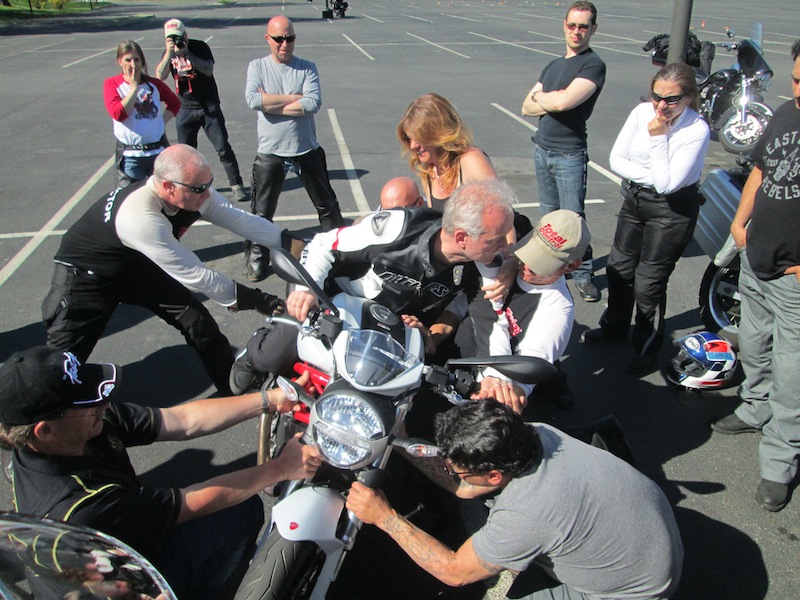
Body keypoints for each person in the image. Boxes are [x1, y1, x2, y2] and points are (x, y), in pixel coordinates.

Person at [0, 346, 322, 600]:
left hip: (116, 548)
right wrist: (280, 468)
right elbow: (192, 504)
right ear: (44, 431)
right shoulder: (76, 507)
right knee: (239, 508)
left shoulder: (80, 425)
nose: (104, 403)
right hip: (122, 584)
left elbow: (180, 420)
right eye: (89, 401)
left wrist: (270, 399)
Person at [346, 399, 683, 599]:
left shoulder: (527, 512)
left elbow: (454, 571)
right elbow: (465, 487)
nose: (451, 472)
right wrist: (406, 447)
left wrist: (386, 518)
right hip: (648, 538)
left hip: (635, 590)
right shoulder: (532, 432)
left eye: (457, 469)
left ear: (495, 476)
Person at [41, 144, 303, 396]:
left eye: (210, 183)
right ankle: (36, 422)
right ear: (168, 187)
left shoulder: (196, 194)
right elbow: (198, 276)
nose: (208, 194)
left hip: (137, 267)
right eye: (201, 188)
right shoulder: (140, 216)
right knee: (63, 364)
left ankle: (231, 388)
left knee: (197, 321)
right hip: (87, 278)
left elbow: (242, 220)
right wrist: (262, 301)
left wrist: (294, 244)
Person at [229, 179, 516, 394]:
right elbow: (323, 244)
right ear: (463, 237)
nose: (506, 246)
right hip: (332, 297)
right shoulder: (397, 227)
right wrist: (307, 291)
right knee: (276, 354)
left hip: (391, 321)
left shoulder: (487, 261)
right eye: (498, 237)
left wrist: (496, 375)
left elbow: (493, 315)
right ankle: (253, 355)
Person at [709, 41, 800, 513]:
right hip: (756, 259)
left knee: (793, 374)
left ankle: (780, 461)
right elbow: (761, 170)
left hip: (793, 279)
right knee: (756, 342)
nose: (799, 91)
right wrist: (739, 223)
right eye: (798, 80)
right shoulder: (787, 112)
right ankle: (753, 405)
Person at [582, 63, 710, 375]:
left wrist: (659, 137)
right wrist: (650, 176)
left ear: (689, 97)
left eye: (672, 99)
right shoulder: (641, 113)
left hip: (673, 210)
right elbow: (616, 159)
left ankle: (645, 348)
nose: (661, 106)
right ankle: (614, 328)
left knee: (649, 284)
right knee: (618, 268)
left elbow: (668, 185)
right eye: (657, 97)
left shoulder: (696, 130)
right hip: (636, 200)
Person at [437, 210, 589, 413]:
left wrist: (501, 394)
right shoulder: (503, 258)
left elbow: (525, 375)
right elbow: (465, 302)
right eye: (531, 252)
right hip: (465, 355)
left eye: (540, 264)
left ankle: (554, 385)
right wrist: (433, 335)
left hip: (495, 376)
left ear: (572, 266)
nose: (526, 266)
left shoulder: (557, 311)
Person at [245, 15, 344, 282]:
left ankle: (342, 254)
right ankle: (257, 259)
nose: (284, 44)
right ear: (268, 39)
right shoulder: (257, 67)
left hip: (306, 149)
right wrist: (293, 99)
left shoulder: (307, 68)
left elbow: (312, 104)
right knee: (261, 213)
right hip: (271, 151)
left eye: (289, 38)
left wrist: (272, 103)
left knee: (327, 207)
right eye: (279, 39)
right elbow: (253, 100)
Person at [521, 1, 605, 303]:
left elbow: (560, 104)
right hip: (542, 150)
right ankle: (552, 269)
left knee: (574, 222)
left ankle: (583, 275)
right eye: (572, 25)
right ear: (564, 25)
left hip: (569, 155)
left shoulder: (592, 65)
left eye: (584, 26)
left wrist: (546, 98)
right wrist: (552, 97)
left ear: (593, 29)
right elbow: (525, 106)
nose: (577, 31)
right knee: (549, 219)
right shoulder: (554, 65)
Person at [398, 93, 518, 297]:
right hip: (461, 267)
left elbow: (503, 220)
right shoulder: (429, 169)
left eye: (418, 137)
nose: (412, 145)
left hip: (489, 264)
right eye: (409, 138)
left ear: (437, 133)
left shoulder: (471, 161)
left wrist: (510, 264)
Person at [156, 18, 249, 203]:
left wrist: (187, 54)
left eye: (179, 37)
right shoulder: (168, 54)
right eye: (171, 39)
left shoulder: (200, 47)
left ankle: (236, 184)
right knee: (186, 154)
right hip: (185, 108)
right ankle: (190, 187)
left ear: (186, 35)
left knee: (223, 147)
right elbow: (160, 76)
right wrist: (169, 53)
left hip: (208, 106)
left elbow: (207, 69)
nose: (176, 41)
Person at [104, 40, 181, 189]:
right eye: (128, 60)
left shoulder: (154, 85)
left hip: (157, 153)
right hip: (131, 156)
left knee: (161, 197)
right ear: (120, 61)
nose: (133, 64)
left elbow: (175, 103)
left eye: (137, 59)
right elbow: (118, 114)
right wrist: (134, 88)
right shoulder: (112, 84)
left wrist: (161, 122)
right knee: (130, 199)